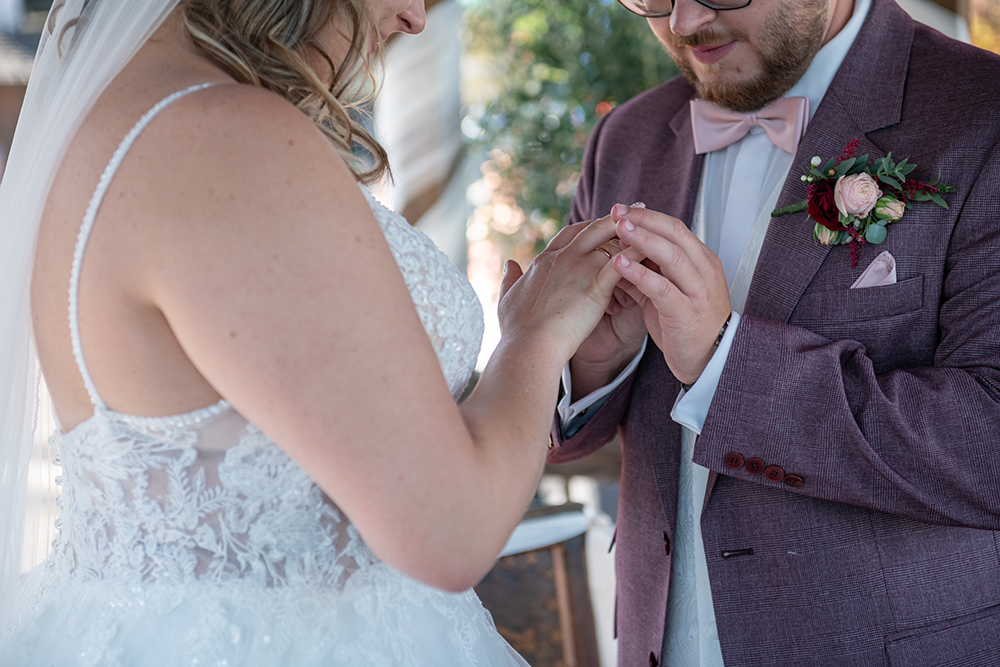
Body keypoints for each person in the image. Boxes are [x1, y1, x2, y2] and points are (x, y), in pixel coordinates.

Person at [0, 0, 631, 664]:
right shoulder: (221, 137)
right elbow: (450, 530)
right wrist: (535, 337)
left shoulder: (123, 106)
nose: (417, 17)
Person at [549, 0, 1000, 665]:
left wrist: (725, 366)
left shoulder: (981, 114)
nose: (682, 22)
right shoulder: (627, 137)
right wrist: (588, 368)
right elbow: (586, 423)